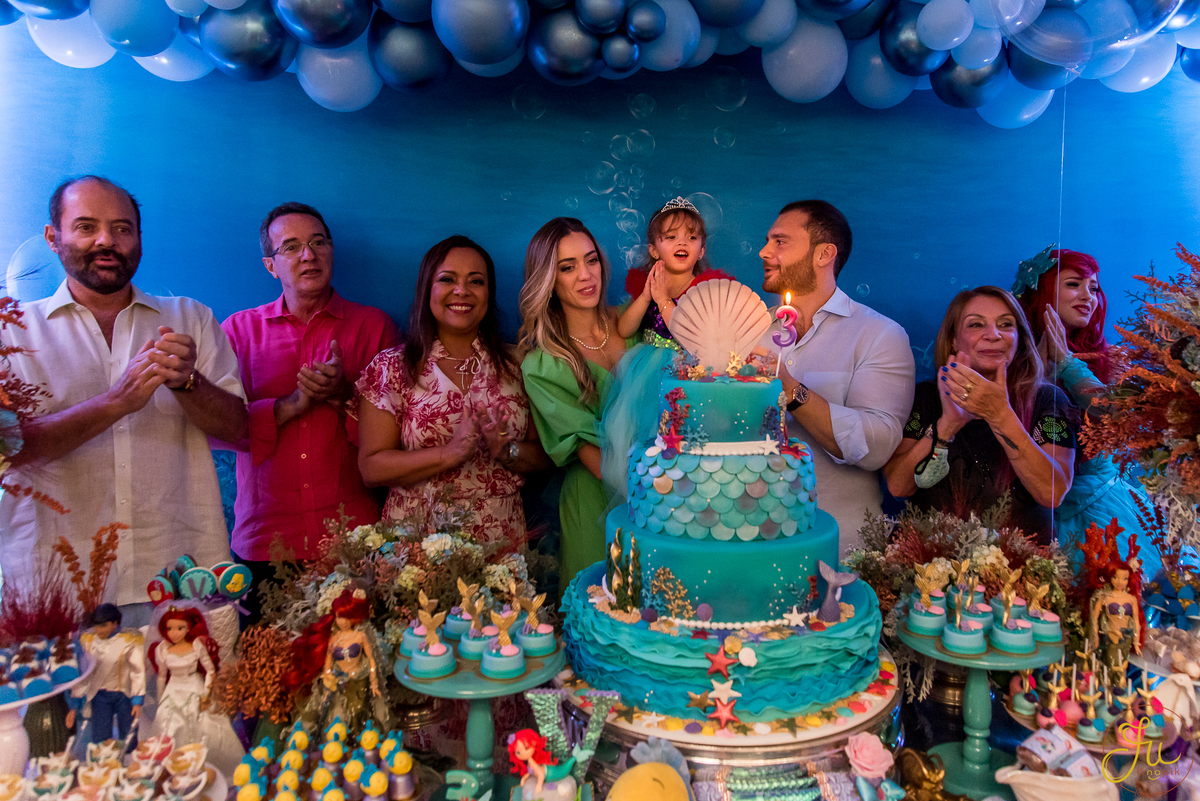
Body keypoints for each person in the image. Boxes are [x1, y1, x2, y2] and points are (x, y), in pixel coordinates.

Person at [0, 176, 246, 616]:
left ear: (139, 240)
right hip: (55, 587)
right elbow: (9, 449)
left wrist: (187, 383)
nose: (106, 241)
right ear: (53, 238)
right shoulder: (12, 333)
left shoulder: (191, 318)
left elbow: (238, 429)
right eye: (86, 226)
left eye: (122, 229)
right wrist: (117, 401)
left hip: (179, 574)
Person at [221, 202, 397, 614]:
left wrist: (343, 393)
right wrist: (291, 405)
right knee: (268, 652)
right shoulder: (238, 332)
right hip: (266, 540)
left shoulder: (374, 328)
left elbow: (402, 433)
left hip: (355, 538)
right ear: (270, 266)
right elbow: (219, 431)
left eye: (319, 243)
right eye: (291, 247)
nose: (308, 255)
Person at [357, 236, 547, 550]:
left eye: (476, 281)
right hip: (415, 547)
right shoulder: (392, 368)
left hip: (499, 543)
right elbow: (371, 468)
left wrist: (507, 451)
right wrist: (450, 453)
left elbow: (546, 457)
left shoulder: (521, 365)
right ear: (426, 289)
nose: (462, 290)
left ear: (489, 293)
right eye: (447, 279)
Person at [759, 200, 915, 552]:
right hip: (749, 543)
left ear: (824, 254)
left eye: (780, 241)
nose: (764, 252)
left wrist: (790, 389)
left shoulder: (879, 335)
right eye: (767, 241)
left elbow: (876, 446)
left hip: (842, 550)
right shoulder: (748, 331)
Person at [883, 286, 1077, 544]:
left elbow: (1052, 493)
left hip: (1020, 564)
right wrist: (947, 424)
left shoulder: (1048, 400)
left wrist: (1000, 415)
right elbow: (898, 486)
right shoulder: (927, 396)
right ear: (953, 339)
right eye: (976, 325)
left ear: (1019, 339)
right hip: (930, 562)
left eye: (1005, 325)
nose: (993, 335)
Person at [1013, 248, 1158, 572]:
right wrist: (1037, 370)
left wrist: (1067, 365)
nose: (1087, 296)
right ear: (1042, 292)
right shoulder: (1010, 357)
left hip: (1107, 518)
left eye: (1093, 288)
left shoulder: (1114, 359)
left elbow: (1115, 417)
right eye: (1073, 284)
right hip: (1032, 514)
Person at [519, 218, 629, 587]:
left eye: (591, 260)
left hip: (665, 497)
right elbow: (596, 462)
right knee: (601, 607)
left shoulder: (637, 323)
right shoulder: (544, 366)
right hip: (595, 503)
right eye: (567, 267)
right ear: (548, 280)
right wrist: (674, 490)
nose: (585, 275)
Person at [602, 198, 731, 495]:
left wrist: (663, 299)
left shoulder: (705, 288)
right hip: (647, 370)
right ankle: (651, 489)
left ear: (702, 249)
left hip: (688, 370)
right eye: (671, 237)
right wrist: (647, 296)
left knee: (684, 435)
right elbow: (625, 329)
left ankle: (683, 489)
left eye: (691, 237)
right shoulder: (649, 284)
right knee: (647, 432)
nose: (681, 243)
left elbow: (690, 336)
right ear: (653, 249)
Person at [146, 604, 245, 774]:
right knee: (167, 721)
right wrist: (160, 699)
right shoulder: (162, 649)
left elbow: (210, 670)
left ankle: (209, 764)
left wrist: (206, 693)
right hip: (173, 688)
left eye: (180, 628)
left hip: (194, 684)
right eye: (170, 628)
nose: (175, 633)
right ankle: (173, 768)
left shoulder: (196, 645)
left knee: (205, 721)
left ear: (188, 628)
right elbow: (162, 676)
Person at [291, 587, 389, 734]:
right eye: (339, 617)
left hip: (358, 680)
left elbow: (371, 659)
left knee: (359, 712)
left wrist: (374, 682)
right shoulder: (334, 639)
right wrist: (327, 682)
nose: (342, 622)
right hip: (338, 681)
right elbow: (328, 663)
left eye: (346, 617)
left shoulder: (360, 636)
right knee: (337, 714)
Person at [67, 604, 146, 747]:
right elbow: (83, 673)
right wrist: (75, 704)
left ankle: (129, 756)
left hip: (124, 693)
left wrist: (137, 699)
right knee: (101, 737)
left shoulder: (129, 640)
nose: (98, 630)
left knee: (129, 734)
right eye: (96, 626)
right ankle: (104, 758)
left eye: (103, 626)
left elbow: (137, 670)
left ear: (115, 624)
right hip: (100, 694)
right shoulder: (88, 640)